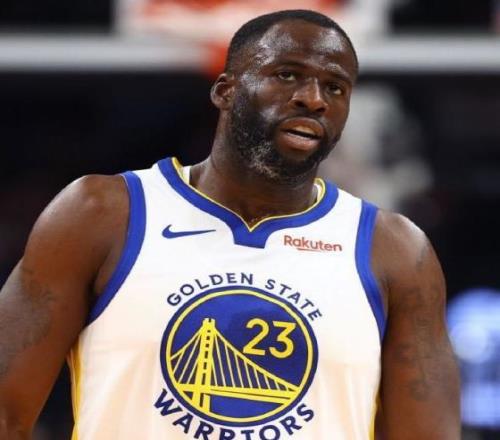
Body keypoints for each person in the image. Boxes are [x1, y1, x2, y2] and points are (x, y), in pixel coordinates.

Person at [0, 9, 460, 440]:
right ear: (225, 91)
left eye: (336, 88)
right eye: (288, 75)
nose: (314, 99)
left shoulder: (395, 251)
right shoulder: (101, 214)